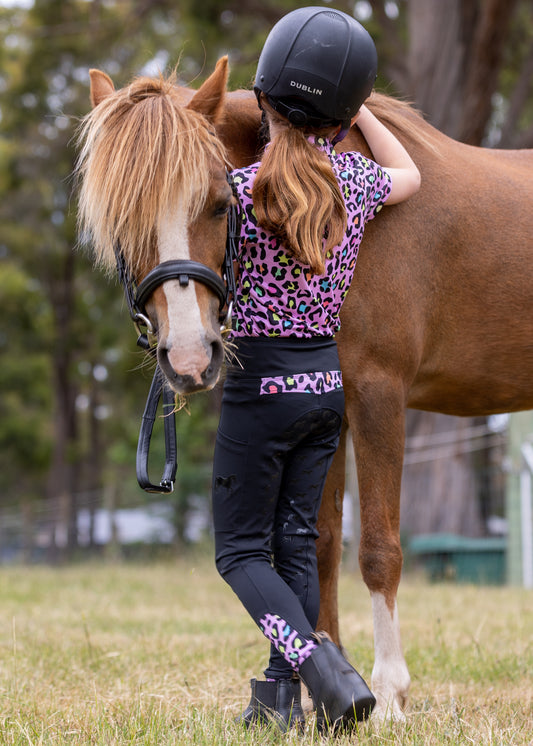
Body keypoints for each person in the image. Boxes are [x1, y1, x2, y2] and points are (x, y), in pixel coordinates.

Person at [211, 6, 421, 733]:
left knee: (239, 551)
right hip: (321, 389)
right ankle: (280, 703)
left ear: (263, 102)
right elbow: (410, 174)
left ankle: (324, 673)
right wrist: (362, 112)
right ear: (337, 122)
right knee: (296, 544)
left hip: (261, 386)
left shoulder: (241, 195)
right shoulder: (357, 184)